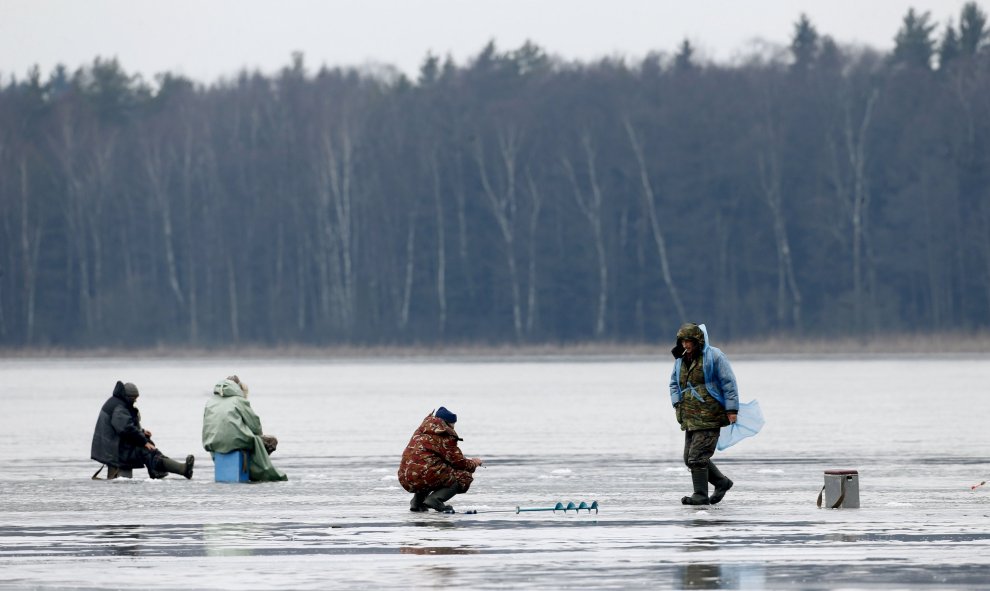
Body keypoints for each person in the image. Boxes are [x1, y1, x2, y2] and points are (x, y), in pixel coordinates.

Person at [669, 323, 738, 505]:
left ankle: (700, 495)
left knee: (697, 457)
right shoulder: (680, 359)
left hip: (710, 414)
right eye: (683, 341)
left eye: (689, 341)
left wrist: (732, 410)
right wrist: (677, 403)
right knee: (689, 459)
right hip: (690, 416)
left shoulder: (714, 356)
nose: (685, 345)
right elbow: (674, 383)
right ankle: (721, 482)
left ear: (697, 340)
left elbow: (728, 383)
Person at [91, 381, 195, 480]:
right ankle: (180, 470)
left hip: (113, 448)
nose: (135, 401)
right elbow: (126, 429)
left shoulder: (116, 402)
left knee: (151, 451)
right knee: (149, 451)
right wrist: (144, 441)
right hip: (115, 451)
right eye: (134, 398)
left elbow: (123, 426)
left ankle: (181, 469)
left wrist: (142, 431)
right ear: (128, 397)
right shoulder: (119, 407)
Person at [202, 375, 287, 482]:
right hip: (236, 441)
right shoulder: (239, 400)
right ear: (237, 387)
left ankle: (243, 469)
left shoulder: (210, 402)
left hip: (213, 443)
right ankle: (256, 471)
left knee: (243, 440)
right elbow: (255, 425)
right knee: (270, 441)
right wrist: (258, 435)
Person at [398, 407, 482, 513]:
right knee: (463, 475)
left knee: (428, 470)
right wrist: (474, 463)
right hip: (426, 474)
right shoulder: (444, 434)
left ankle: (417, 502)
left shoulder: (421, 431)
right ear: (448, 422)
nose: (454, 426)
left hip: (405, 477)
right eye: (453, 423)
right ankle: (435, 500)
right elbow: (458, 462)